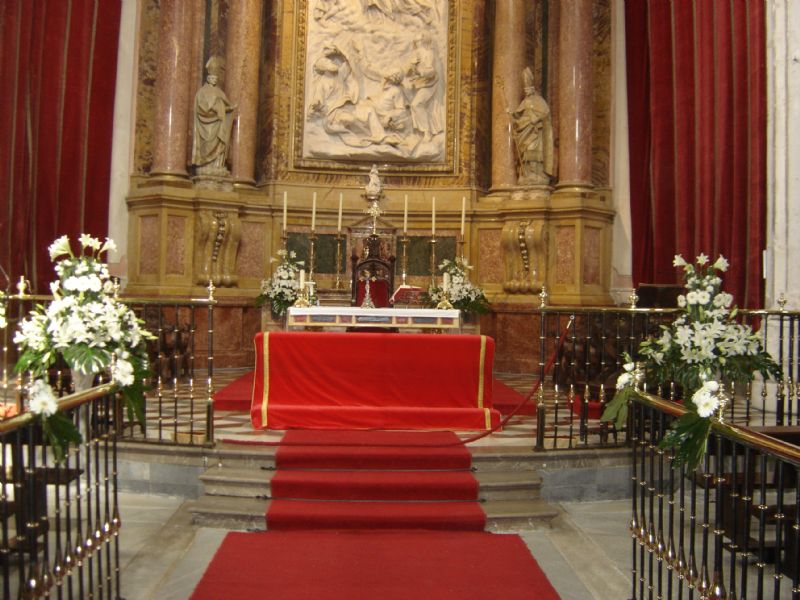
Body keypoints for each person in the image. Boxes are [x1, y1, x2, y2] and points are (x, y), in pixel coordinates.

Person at [191, 57, 236, 176]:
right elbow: (202, 108)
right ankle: (206, 165)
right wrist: (215, 110)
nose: (214, 80)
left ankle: (217, 165)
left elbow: (225, 106)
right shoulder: (202, 92)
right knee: (207, 144)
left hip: (219, 123)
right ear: (207, 78)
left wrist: (230, 108)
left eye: (215, 78)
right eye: (211, 78)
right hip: (207, 124)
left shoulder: (220, 92)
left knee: (220, 142)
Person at [511, 67, 554, 185]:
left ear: (533, 89)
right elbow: (518, 114)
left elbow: (545, 112)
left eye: (528, 89)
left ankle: (537, 174)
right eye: (525, 89)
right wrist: (511, 114)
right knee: (526, 152)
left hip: (536, 132)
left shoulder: (539, 100)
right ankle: (526, 174)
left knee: (534, 152)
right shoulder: (525, 102)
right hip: (526, 131)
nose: (526, 92)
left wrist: (536, 118)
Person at [405, 35, 443, 142]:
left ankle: (427, 131)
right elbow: (408, 72)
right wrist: (412, 66)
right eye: (416, 42)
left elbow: (431, 72)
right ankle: (414, 131)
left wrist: (418, 71)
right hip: (418, 84)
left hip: (429, 84)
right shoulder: (416, 54)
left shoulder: (429, 53)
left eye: (419, 41)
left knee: (416, 104)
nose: (417, 44)